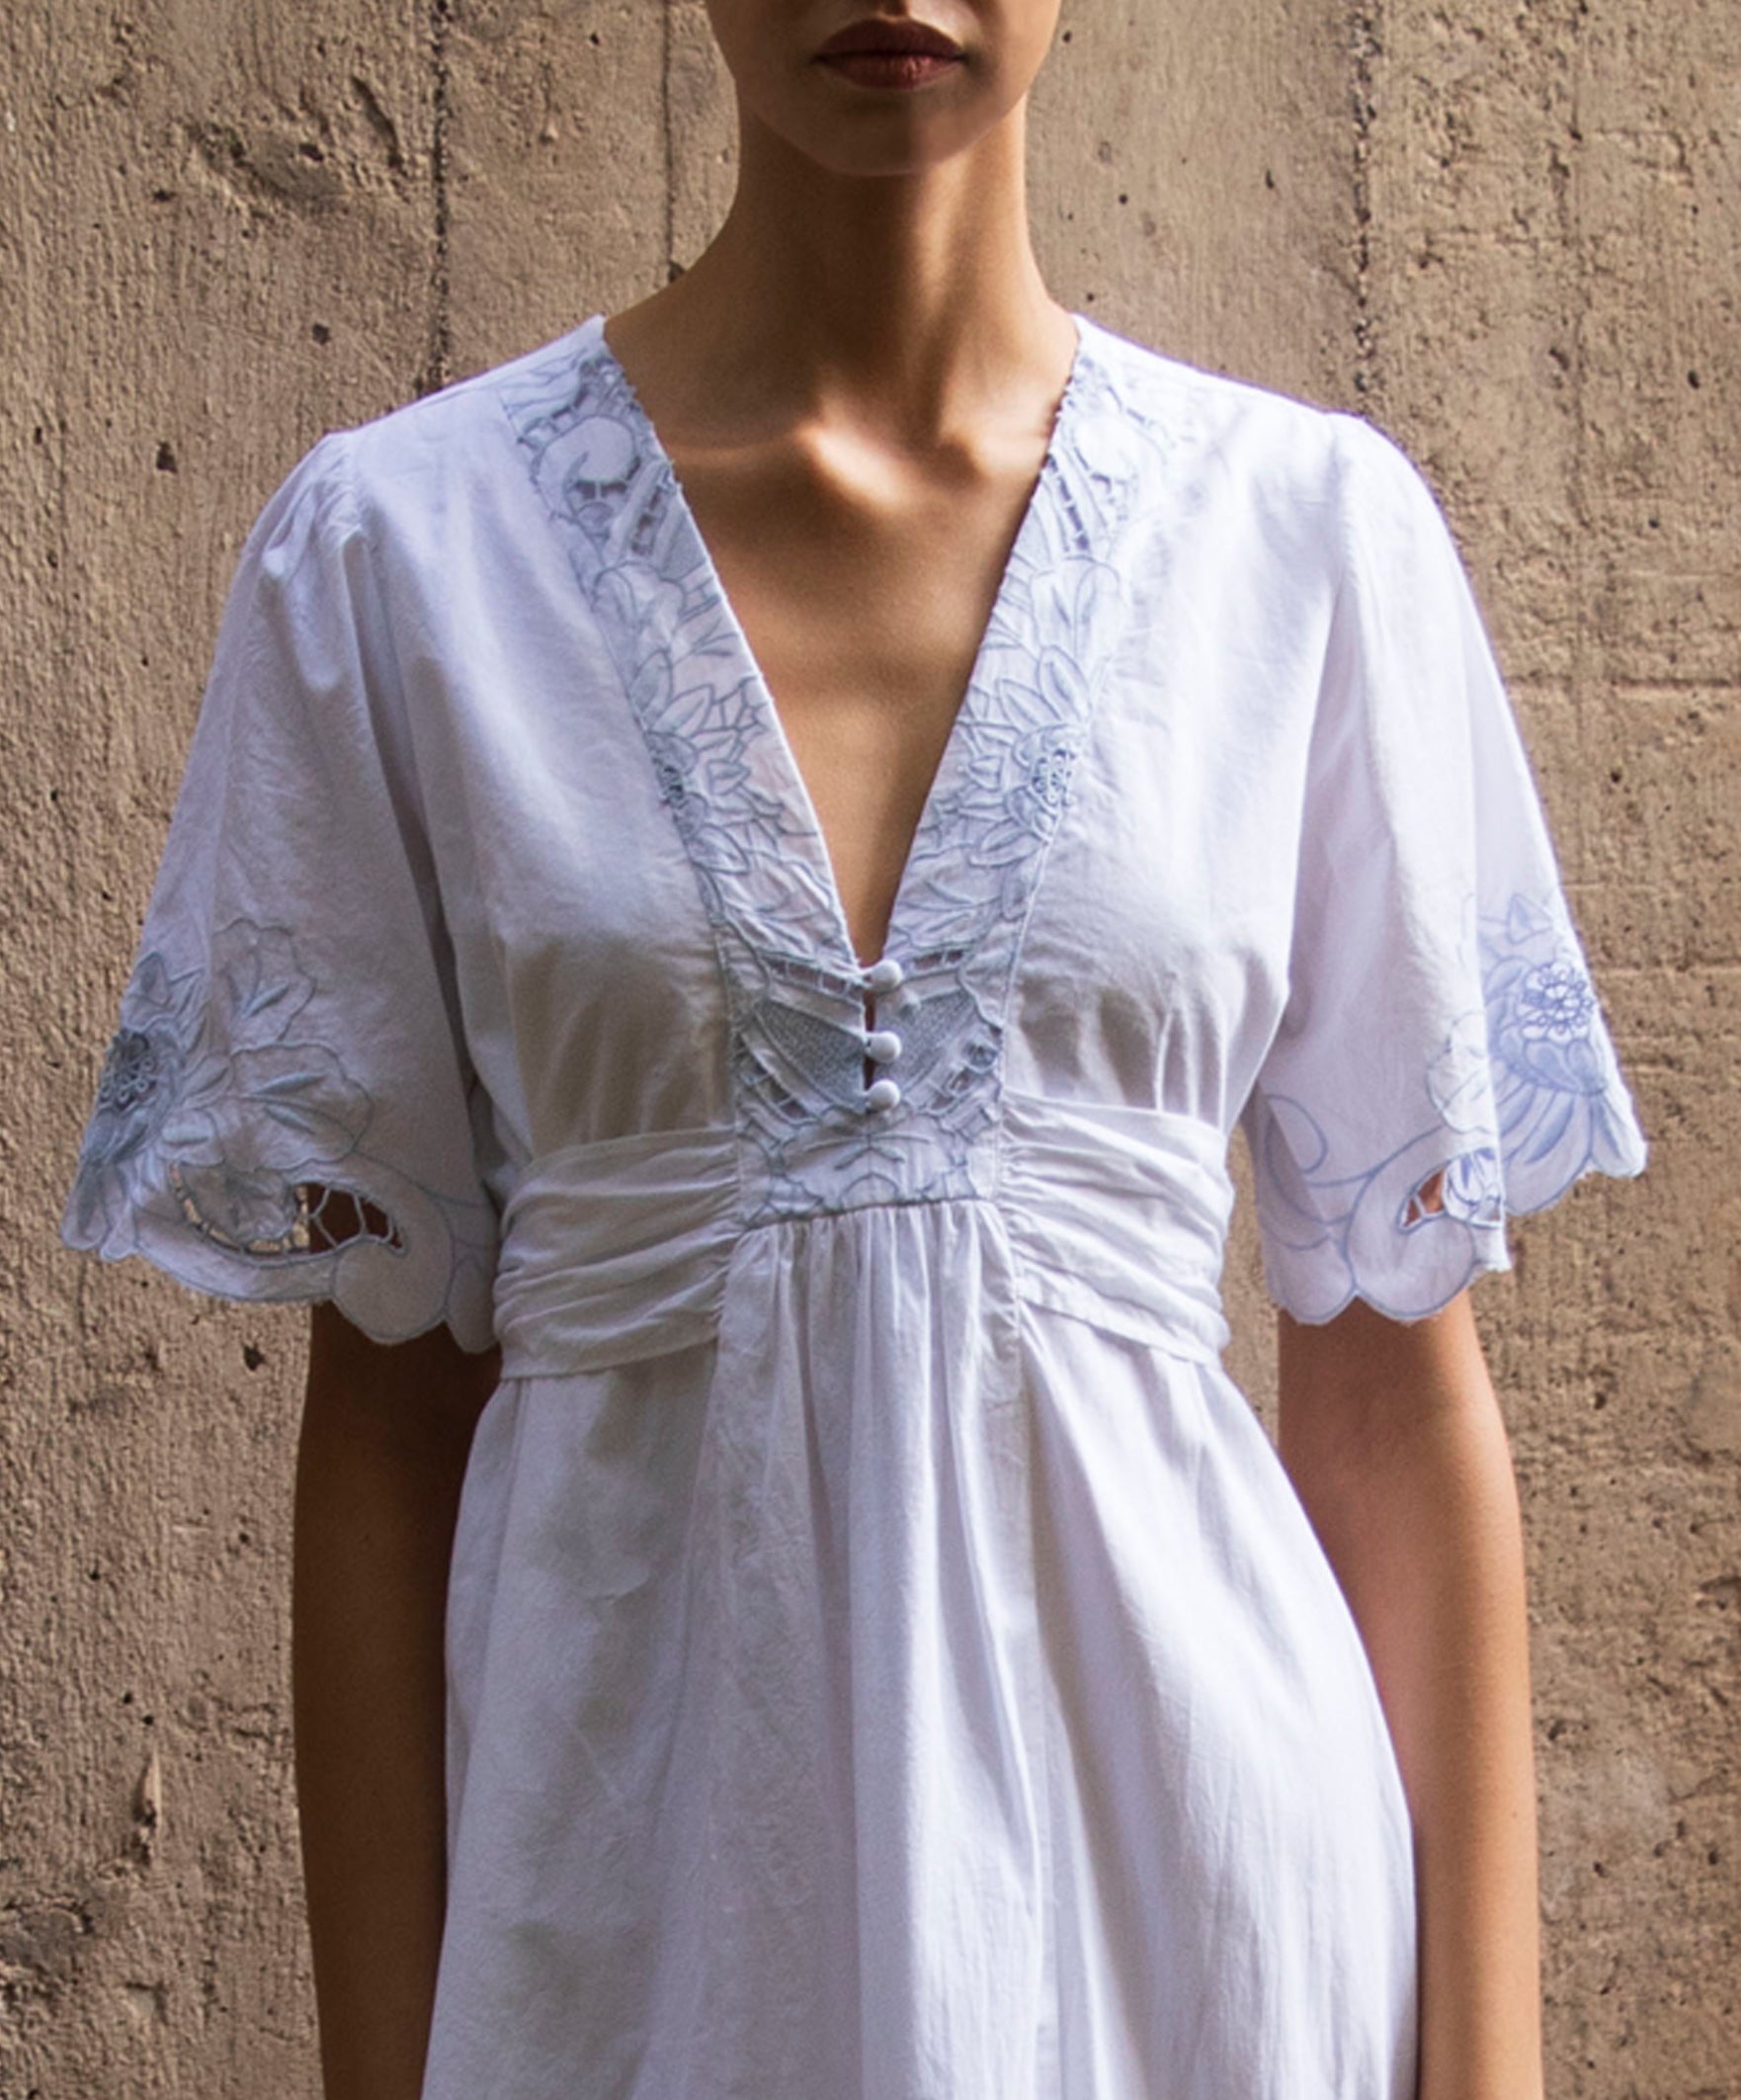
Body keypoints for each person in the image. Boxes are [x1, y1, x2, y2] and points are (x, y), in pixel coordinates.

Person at [57, 2, 1650, 2095]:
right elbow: (385, 1414)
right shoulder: (398, 562)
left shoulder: (1304, 545)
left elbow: (1384, 1382)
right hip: (637, 1922)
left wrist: (1488, 2073)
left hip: (1205, 1936)